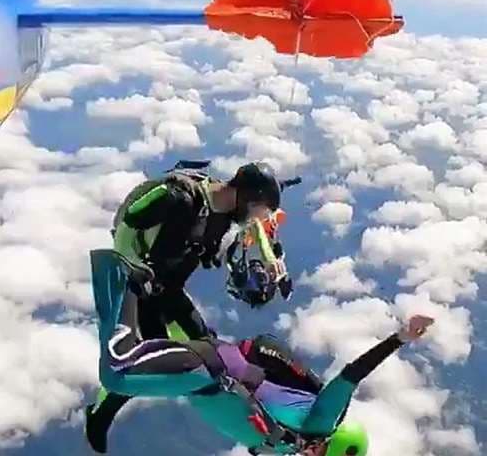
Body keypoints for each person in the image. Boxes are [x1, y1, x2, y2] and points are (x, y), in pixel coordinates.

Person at [90, 248, 434, 456]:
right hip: (211, 368)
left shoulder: (284, 446)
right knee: (118, 372)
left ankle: (147, 290)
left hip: (199, 383)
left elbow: (251, 431)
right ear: (330, 440)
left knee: (133, 361)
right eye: (322, 452)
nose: (312, 454)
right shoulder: (321, 419)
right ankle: (126, 280)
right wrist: (400, 338)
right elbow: (352, 374)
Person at [86, 161, 292, 452]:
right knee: (152, 364)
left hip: (167, 288)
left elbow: (248, 234)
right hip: (141, 285)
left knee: (210, 352)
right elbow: (130, 221)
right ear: (248, 197)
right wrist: (130, 267)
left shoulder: (222, 216)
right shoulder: (181, 197)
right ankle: (99, 414)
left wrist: (265, 268)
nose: (253, 218)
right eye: (257, 209)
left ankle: (259, 424)